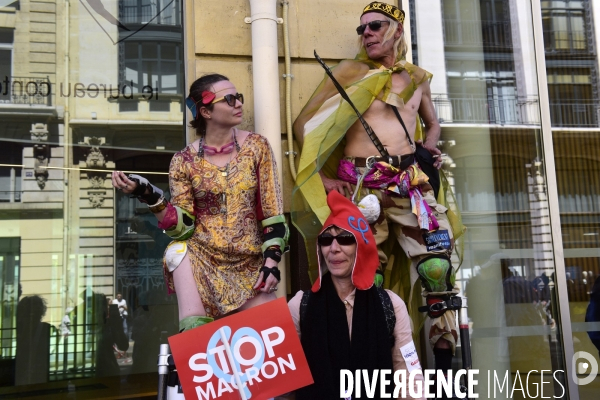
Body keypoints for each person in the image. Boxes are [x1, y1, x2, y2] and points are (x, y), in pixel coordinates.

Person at [292, 2, 464, 375]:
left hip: (411, 184)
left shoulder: (418, 77)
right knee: (366, 275)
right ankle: (373, 364)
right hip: (362, 185)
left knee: (438, 267)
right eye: (362, 29)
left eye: (375, 26)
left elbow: (431, 124)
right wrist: (321, 178)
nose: (366, 33)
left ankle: (446, 366)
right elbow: (303, 123)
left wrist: (429, 144)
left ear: (397, 31)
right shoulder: (349, 72)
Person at [112, 74, 288, 332]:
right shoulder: (183, 160)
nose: (238, 103)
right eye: (229, 99)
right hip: (201, 260)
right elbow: (182, 229)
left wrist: (271, 263)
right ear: (205, 111)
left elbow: (272, 213)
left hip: (250, 265)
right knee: (201, 346)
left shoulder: (257, 147)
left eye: (238, 97)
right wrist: (148, 194)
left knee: (273, 339)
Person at [289, 191, 424, 399]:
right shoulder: (300, 305)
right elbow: (285, 384)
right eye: (326, 239)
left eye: (344, 238)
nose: (334, 249)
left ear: (361, 245)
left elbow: (408, 380)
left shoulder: (391, 305)